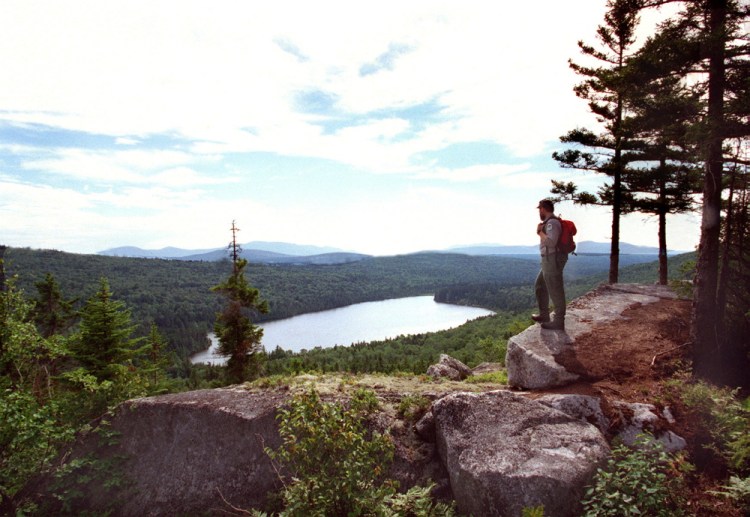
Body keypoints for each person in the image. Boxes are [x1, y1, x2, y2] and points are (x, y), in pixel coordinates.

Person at [532, 199, 567, 330]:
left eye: (539, 209)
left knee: (555, 290)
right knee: (540, 285)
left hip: (552, 259)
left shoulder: (552, 223)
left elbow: (551, 242)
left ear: (543, 209)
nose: (539, 212)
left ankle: (559, 321)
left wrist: (540, 233)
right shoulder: (549, 222)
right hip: (548, 259)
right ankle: (544, 315)